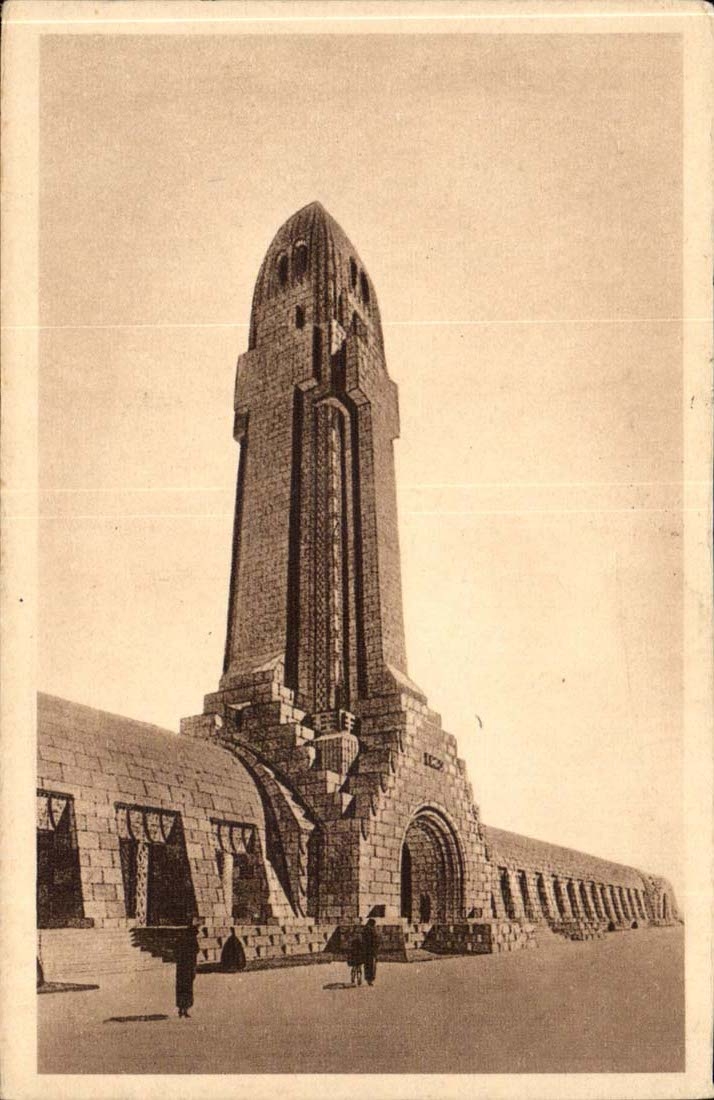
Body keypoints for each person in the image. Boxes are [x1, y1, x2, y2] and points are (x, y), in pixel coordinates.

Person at [175, 918, 200, 1018]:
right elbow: (196, 951)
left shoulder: (182, 939)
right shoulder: (192, 940)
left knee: (181, 988)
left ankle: (181, 1009)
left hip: (181, 968)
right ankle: (184, 1009)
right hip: (188, 967)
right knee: (187, 989)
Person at [361, 917, 379, 987]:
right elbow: (374, 940)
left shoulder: (366, 929)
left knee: (368, 965)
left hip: (367, 951)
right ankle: (370, 979)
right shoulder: (371, 930)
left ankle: (368, 979)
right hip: (371, 951)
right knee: (371, 966)